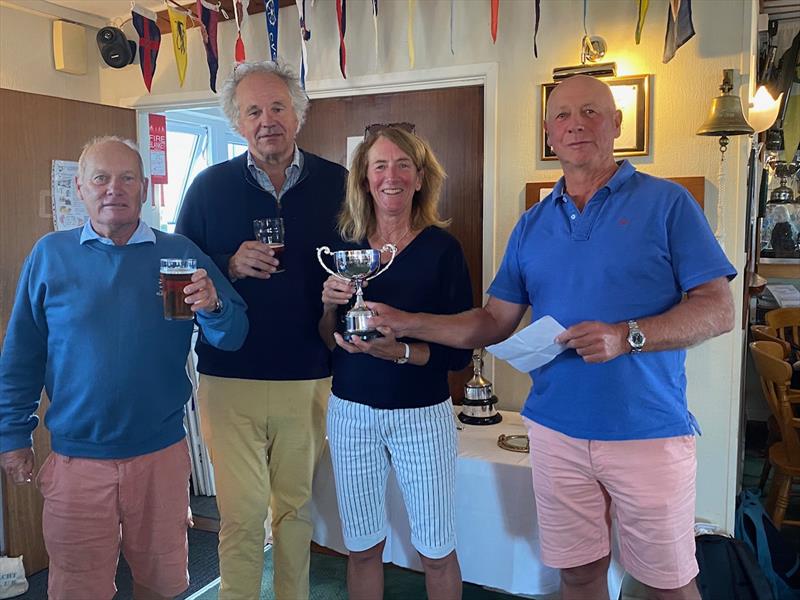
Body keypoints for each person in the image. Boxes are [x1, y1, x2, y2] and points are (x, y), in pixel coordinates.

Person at [370, 75, 737, 600]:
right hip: (555, 433)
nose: (576, 125)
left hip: (647, 430)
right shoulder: (532, 224)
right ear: (548, 132)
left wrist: (627, 335)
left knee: (667, 584)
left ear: (617, 124)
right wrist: (407, 321)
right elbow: (493, 321)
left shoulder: (668, 203)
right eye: (563, 116)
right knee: (579, 575)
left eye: (591, 112)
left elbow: (717, 310)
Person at [0, 136, 248, 600]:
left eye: (127, 178)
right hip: (77, 462)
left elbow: (232, 337)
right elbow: (21, 355)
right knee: (77, 587)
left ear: (145, 188)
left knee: (164, 584)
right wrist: (12, 436)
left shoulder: (180, 254)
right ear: (80, 188)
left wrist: (214, 307)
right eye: (101, 178)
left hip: (160, 458)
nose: (114, 188)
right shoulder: (50, 255)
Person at [174, 60, 347, 600]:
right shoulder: (208, 187)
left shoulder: (338, 183)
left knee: (295, 513)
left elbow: (359, 268)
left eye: (277, 108)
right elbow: (179, 275)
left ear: (297, 115)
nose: (267, 119)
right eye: (254, 111)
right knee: (243, 517)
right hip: (230, 379)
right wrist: (227, 263)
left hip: (308, 375)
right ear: (237, 123)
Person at [319, 123, 472, 600]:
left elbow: (458, 353)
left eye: (403, 165)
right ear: (365, 178)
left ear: (421, 177)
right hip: (351, 413)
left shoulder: (443, 250)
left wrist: (400, 351)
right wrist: (328, 305)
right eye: (380, 165)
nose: (392, 175)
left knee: (436, 548)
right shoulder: (344, 249)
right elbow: (326, 339)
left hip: (421, 415)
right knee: (363, 546)